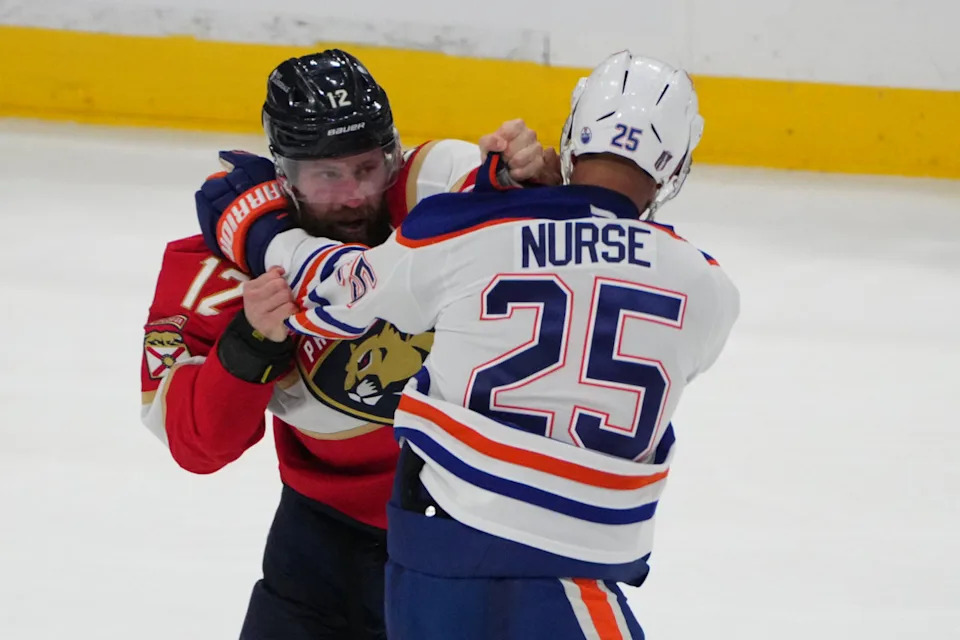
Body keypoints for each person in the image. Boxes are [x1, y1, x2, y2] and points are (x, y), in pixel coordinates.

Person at [209, 50, 740, 639]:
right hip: (581, 554)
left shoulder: (467, 233)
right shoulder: (708, 285)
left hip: (439, 543)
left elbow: (334, 292)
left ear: (570, 140)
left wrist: (256, 229)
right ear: (674, 167)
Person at [139, 48, 556, 639]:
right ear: (283, 174)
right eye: (326, 175)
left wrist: (539, 179)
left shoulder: (435, 203)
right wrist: (253, 342)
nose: (355, 194)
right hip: (320, 546)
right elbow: (195, 445)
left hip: (467, 531)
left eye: (367, 167)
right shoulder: (217, 272)